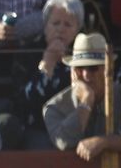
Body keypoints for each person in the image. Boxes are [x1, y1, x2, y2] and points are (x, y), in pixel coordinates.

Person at [9, 0, 82, 149]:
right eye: (55, 23)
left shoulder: (83, 55)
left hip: (75, 126)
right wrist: (47, 64)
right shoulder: (28, 53)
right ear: (45, 25)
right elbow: (23, 102)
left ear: (77, 29)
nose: (61, 29)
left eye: (68, 25)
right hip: (37, 127)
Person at [42, 31, 121, 159]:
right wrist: (87, 101)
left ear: (107, 69)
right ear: (71, 72)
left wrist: (105, 142)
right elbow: (64, 142)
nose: (86, 75)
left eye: (93, 68)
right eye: (79, 68)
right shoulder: (54, 107)